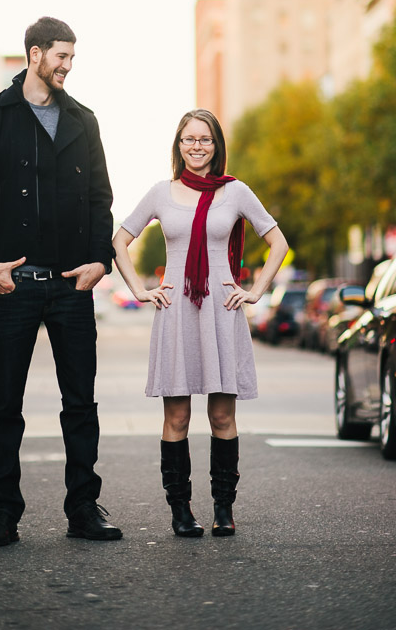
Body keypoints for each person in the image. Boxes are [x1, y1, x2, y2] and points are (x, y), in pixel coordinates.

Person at [0, 16, 122, 547]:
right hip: (13, 285)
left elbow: (101, 199)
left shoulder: (83, 121)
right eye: (60, 57)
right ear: (34, 54)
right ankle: (3, 511)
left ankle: (83, 509)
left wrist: (100, 262)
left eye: (72, 58)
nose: (68, 66)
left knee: (81, 403)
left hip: (73, 287)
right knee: (4, 403)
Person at [112, 108, 288, 539]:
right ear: (178, 145)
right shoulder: (161, 192)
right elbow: (119, 240)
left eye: (205, 139)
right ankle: (180, 511)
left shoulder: (235, 192)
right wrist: (138, 288)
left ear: (216, 146)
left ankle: (223, 510)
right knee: (176, 416)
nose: (197, 146)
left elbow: (278, 241)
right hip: (176, 311)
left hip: (221, 310)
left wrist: (256, 289)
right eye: (189, 139)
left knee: (222, 416)